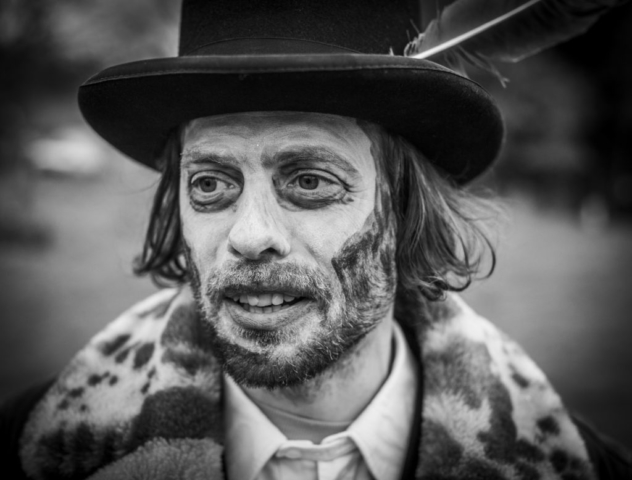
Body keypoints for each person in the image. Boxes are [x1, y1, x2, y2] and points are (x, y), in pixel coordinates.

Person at [2, 1, 631, 479]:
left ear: (405, 208)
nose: (250, 236)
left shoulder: (568, 465)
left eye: (309, 181)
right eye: (210, 184)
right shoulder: (40, 449)